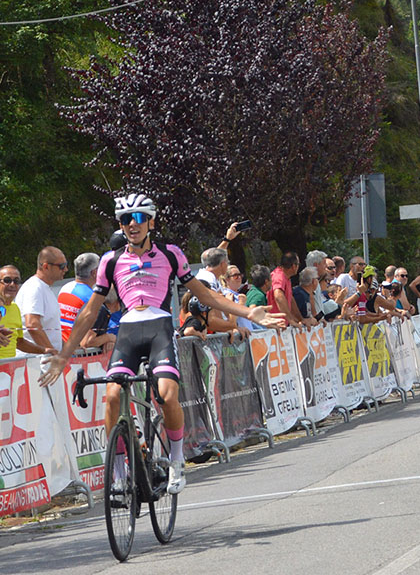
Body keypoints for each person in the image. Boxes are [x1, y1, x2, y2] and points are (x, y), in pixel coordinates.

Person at [38, 193, 281, 496]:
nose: (132, 225)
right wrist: (64, 354)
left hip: (159, 328)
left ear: (151, 222)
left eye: (138, 218)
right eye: (126, 219)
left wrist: (246, 312)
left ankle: (176, 461)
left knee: (166, 396)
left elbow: (203, 295)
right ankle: (117, 469)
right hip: (128, 331)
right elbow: (89, 312)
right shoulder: (111, 261)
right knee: (112, 396)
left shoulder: (170, 254)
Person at [0, 265, 50, 361]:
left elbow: (19, 342)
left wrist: (45, 350)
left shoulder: (15, 308)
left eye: (16, 281)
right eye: (7, 280)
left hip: (8, 371)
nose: (12, 284)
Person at [17, 247, 68, 352]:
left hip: (44, 361)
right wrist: (52, 352)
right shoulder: (34, 288)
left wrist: (68, 348)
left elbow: (51, 327)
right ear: (46, 267)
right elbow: (32, 324)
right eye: (61, 266)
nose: (66, 270)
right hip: (35, 362)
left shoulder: (45, 288)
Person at [59, 253, 101, 346]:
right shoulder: (91, 297)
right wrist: (109, 338)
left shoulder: (65, 288)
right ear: (94, 273)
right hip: (76, 351)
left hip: (62, 345)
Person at [269, 252, 304, 326]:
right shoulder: (279, 276)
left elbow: (290, 299)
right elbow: (278, 296)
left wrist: (301, 320)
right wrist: (290, 319)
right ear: (294, 266)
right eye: (298, 264)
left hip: (282, 325)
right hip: (276, 325)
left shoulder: (286, 278)